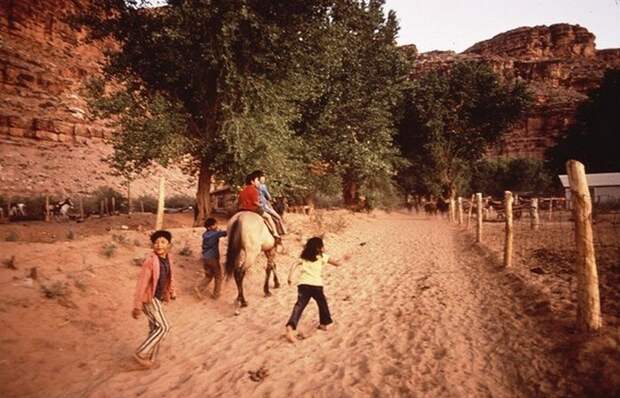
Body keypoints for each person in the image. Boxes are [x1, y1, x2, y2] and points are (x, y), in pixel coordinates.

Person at [285, 237, 349, 343]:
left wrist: (290, 276)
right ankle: (324, 324)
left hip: (303, 284)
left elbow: (294, 264)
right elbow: (337, 263)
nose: (324, 248)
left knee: (299, 306)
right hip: (316, 285)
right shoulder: (322, 257)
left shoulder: (304, 257)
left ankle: (291, 326)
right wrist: (345, 258)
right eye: (322, 246)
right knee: (322, 303)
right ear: (318, 248)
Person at [131, 230, 176, 369]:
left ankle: (150, 359)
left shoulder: (168, 258)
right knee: (164, 327)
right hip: (149, 299)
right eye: (156, 242)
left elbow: (170, 277)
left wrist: (172, 292)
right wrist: (137, 305)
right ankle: (140, 354)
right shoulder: (150, 262)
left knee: (155, 329)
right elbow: (142, 284)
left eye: (163, 242)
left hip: (158, 298)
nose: (159, 245)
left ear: (169, 244)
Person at [237, 171, 282, 244]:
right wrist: (261, 205)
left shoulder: (242, 191)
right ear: (252, 182)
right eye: (257, 180)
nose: (259, 183)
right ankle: (275, 233)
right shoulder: (254, 190)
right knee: (268, 217)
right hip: (253, 209)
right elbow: (255, 202)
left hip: (242, 210)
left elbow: (239, 202)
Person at [197, 217, 226, 299]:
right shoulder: (215, 234)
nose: (216, 226)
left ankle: (199, 288)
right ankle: (216, 295)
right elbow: (226, 233)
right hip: (213, 258)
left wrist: (217, 230)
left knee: (208, 276)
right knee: (218, 276)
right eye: (214, 225)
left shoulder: (205, 234)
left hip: (205, 258)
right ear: (209, 227)